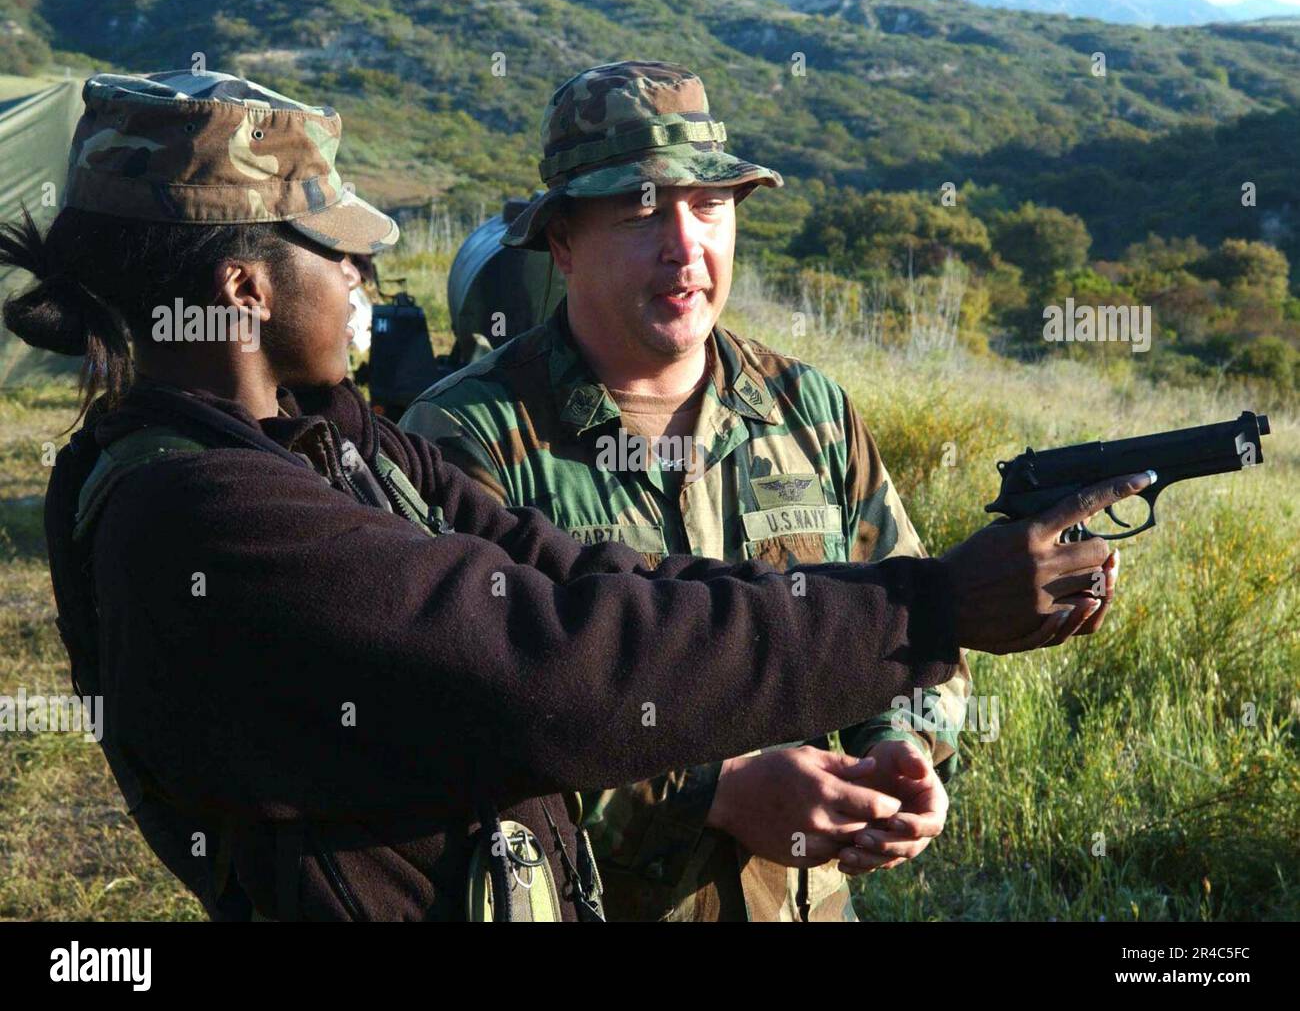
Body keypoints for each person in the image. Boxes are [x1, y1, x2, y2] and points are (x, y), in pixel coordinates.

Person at [3, 69, 1137, 922]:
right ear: (242, 285)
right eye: (335, 251)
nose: (365, 277)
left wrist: (909, 630)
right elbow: (552, 663)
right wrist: (920, 613)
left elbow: (590, 576)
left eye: (711, 206)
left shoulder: (327, 440)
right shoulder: (207, 512)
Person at [400, 60, 1097, 921]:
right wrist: (712, 794)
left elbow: (914, 613)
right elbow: (457, 713)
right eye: (643, 212)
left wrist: (902, 751)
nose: (685, 246)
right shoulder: (463, 439)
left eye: (711, 208)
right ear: (564, 243)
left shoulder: (809, 410)